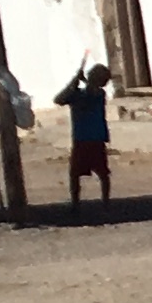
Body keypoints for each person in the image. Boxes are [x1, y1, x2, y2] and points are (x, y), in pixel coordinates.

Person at [55, 60, 114, 209]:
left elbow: (87, 93)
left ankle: (98, 202)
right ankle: (84, 203)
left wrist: (75, 82)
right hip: (88, 138)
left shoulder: (96, 94)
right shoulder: (82, 94)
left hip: (88, 138)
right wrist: (74, 82)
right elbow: (58, 99)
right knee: (82, 173)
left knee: (98, 173)